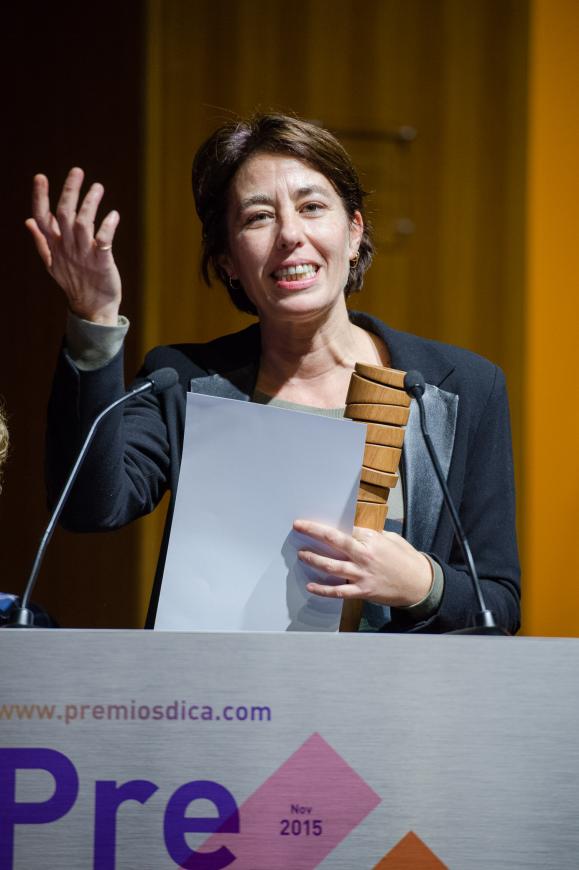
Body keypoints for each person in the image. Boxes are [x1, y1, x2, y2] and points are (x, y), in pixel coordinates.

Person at [26, 113, 520, 633]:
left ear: (354, 232)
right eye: (259, 217)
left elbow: (499, 604)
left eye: (312, 208)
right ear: (227, 261)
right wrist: (95, 318)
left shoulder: (461, 387)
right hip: (224, 684)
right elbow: (88, 505)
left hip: (395, 686)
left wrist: (422, 583)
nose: (290, 235)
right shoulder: (182, 381)